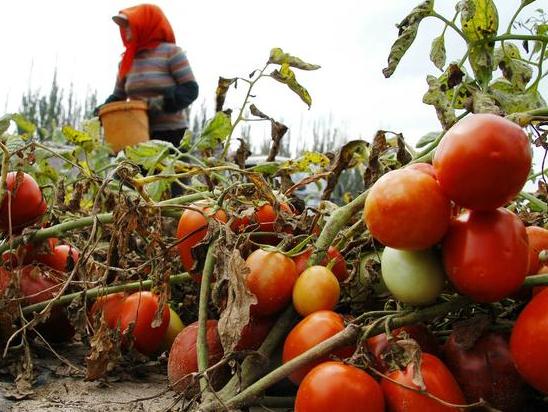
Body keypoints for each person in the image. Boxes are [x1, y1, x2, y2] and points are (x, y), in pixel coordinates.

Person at [98, 4, 198, 148]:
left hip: (172, 135)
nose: (125, 30)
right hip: (137, 134)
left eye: (129, 25)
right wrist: (101, 111)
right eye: (124, 26)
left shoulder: (171, 53)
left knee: (171, 170)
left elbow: (190, 89)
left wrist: (160, 103)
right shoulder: (126, 61)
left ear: (145, 25)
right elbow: (118, 97)